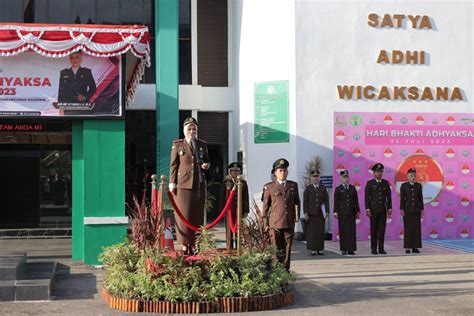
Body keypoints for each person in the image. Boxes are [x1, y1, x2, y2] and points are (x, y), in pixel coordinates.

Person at [169, 117, 210, 255]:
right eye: (189, 129)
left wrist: (206, 165)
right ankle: (185, 245)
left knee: (197, 215)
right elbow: (174, 165)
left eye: (194, 129)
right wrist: (172, 183)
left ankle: (195, 244)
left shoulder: (202, 144)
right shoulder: (178, 144)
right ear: (184, 130)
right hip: (182, 184)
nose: (192, 131)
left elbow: (207, 161)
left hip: (199, 183)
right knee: (184, 215)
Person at [262, 158, 300, 270]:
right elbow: (265, 207)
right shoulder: (269, 187)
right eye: (280, 171)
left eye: (285, 170)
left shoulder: (293, 186)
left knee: (287, 249)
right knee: (275, 250)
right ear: (275, 173)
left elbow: (297, 202)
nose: (283, 173)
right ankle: (276, 272)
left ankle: (285, 272)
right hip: (275, 224)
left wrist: (296, 217)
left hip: (288, 222)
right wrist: (265, 223)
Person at [220, 162, 249, 250]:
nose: (235, 173)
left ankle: (238, 247)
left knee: (238, 230)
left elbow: (246, 197)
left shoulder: (243, 182)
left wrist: (246, 210)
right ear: (230, 172)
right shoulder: (226, 182)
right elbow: (221, 197)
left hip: (239, 209)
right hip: (229, 210)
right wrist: (222, 210)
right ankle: (229, 247)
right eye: (233, 171)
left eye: (237, 171)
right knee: (229, 230)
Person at [365, 163, 392, 255]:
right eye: (377, 172)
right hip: (373, 210)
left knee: (382, 230)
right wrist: (367, 209)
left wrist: (389, 208)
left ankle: (381, 248)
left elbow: (389, 197)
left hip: (382, 210)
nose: (379, 173)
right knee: (373, 230)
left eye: (381, 172)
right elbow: (366, 197)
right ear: (374, 173)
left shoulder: (385, 183)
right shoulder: (370, 183)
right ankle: (373, 249)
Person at [303, 170, 329, 255]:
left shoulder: (323, 188)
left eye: (317, 176)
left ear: (319, 178)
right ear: (311, 178)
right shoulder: (308, 188)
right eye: (314, 177)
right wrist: (306, 213)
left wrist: (327, 211)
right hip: (311, 214)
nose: (316, 178)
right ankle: (313, 249)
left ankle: (320, 249)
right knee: (312, 232)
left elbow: (326, 201)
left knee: (320, 232)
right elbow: (305, 202)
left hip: (321, 214)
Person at [334, 170, 360, 255]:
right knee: (343, 231)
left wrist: (358, 211)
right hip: (342, 213)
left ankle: (351, 249)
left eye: (347, 177)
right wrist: (335, 211)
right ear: (341, 178)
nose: (346, 179)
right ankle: (344, 249)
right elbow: (336, 201)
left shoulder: (352, 188)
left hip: (351, 213)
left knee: (351, 231)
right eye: (344, 177)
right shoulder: (338, 189)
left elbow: (356, 201)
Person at [400, 168, 424, 254]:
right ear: (407, 176)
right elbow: (402, 199)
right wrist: (402, 209)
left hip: (416, 211)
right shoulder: (404, 186)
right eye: (411, 176)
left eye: (414, 176)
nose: (413, 177)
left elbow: (420, 199)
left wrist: (422, 210)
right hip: (407, 211)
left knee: (416, 229)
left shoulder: (418, 185)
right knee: (408, 229)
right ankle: (407, 247)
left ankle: (415, 247)